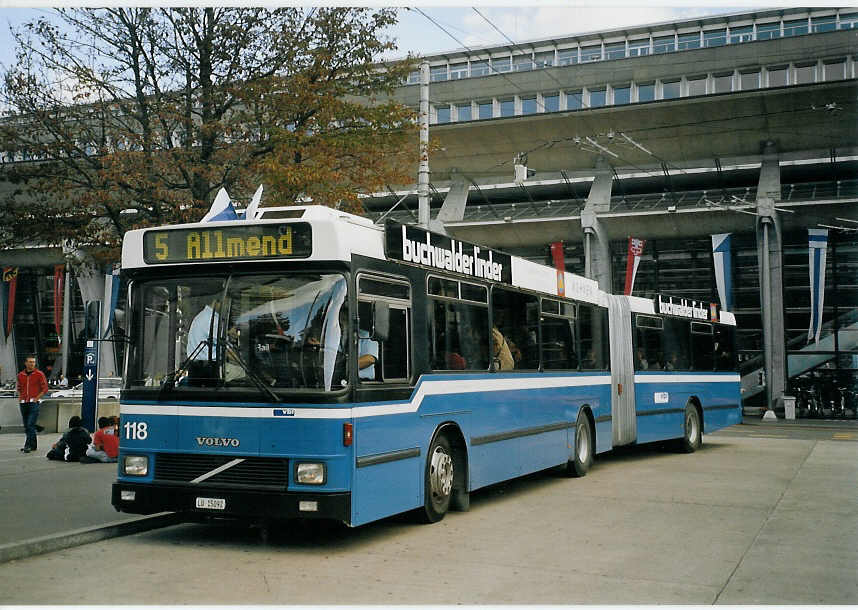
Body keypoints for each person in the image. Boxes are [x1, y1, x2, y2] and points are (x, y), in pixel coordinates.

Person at [17, 354, 48, 453]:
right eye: (30, 362)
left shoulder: (39, 374)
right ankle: (33, 445)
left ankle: (28, 445)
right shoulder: (20, 375)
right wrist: (20, 397)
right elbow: (19, 388)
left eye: (33, 362)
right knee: (27, 425)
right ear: (25, 363)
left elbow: (45, 388)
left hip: (33, 403)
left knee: (30, 424)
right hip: (23, 403)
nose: (32, 364)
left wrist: (36, 399)